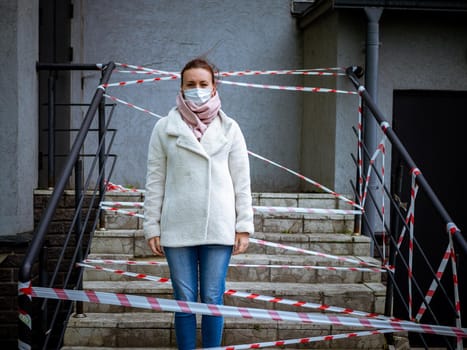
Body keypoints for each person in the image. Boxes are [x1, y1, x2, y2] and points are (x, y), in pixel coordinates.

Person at [143, 57, 254, 349]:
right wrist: (151, 226)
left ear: (214, 87)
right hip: (177, 227)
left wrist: (244, 225)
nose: (197, 89)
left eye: (203, 84)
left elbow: (242, 182)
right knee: (184, 299)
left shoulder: (230, 128)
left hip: (218, 225)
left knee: (214, 297)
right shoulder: (164, 128)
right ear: (181, 87)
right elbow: (155, 181)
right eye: (190, 84)